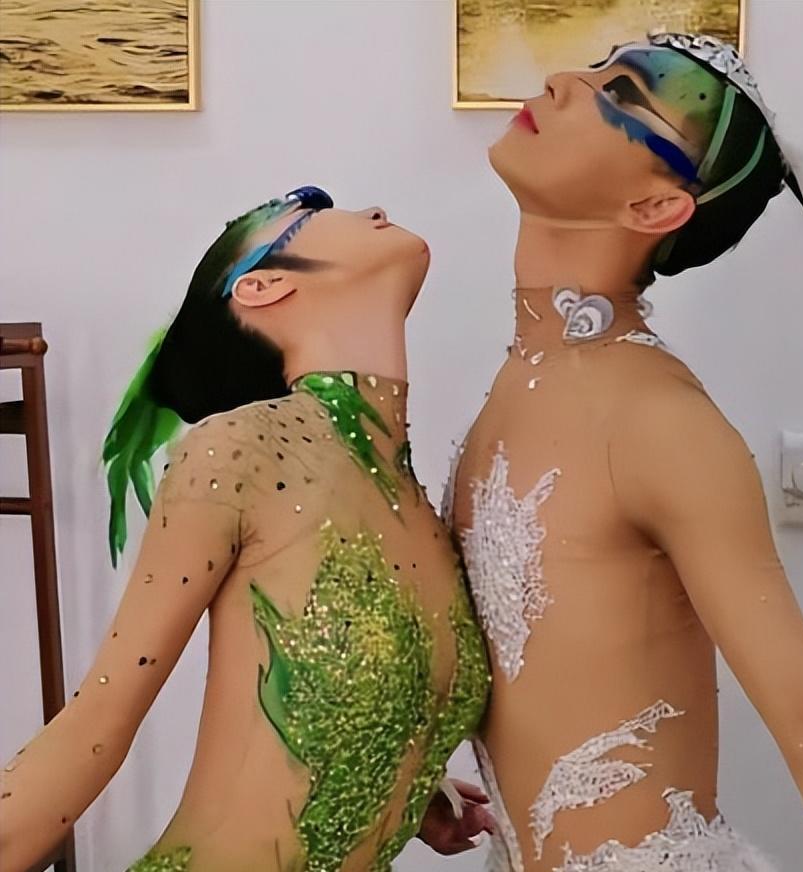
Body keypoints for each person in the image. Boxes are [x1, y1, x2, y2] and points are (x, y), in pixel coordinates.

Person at [445, 33, 803, 871]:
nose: (563, 80)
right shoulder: (524, 381)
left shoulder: (658, 422)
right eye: (596, 69)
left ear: (654, 207)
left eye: (622, 96)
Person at [0, 187, 493, 872]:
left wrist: (401, 789)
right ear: (260, 285)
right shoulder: (240, 451)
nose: (372, 209)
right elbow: (95, 727)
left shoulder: (423, 504)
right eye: (309, 209)